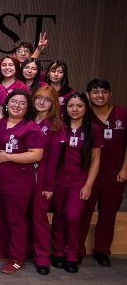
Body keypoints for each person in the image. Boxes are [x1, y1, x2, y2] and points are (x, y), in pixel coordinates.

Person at [0, 89, 44, 274]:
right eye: (13, 101)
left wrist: (9, 157)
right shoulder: (1, 122)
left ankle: (17, 257)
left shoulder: (31, 128)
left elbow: (36, 154)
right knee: (0, 217)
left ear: (27, 108)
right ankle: (4, 250)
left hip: (18, 183)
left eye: (22, 103)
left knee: (16, 221)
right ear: (7, 103)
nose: (17, 106)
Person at [51, 92, 102, 273]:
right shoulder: (59, 127)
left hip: (79, 181)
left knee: (72, 216)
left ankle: (71, 252)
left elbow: (95, 160)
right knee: (58, 214)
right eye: (71, 106)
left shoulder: (93, 130)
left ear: (86, 108)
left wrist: (88, 185)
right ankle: (57, 250)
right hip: (59, 179)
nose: (75, 109)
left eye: (79, 106)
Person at [78, 79, 127, 266]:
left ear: (110, 94)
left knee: (108, 214)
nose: (100, 95)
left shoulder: (122, 114)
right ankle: (78, 249)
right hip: (88, 174)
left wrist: (125, 168)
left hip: (115, 174)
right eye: (95, 92)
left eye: (104, 92)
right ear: (88, 94)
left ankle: (102, 250)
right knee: (83, 213)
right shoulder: (85, 115)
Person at [28, 86, 65, 274]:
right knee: (21, 215)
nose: (42, 102)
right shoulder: (27, 119)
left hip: (42, 176)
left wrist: (48, 184)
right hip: (23, 174)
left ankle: (41, 256)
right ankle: (25, 250)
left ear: (54, 104)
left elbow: (54, 160)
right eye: (39, 98)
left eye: (47, 100)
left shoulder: (56, 125)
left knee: (39, 216)